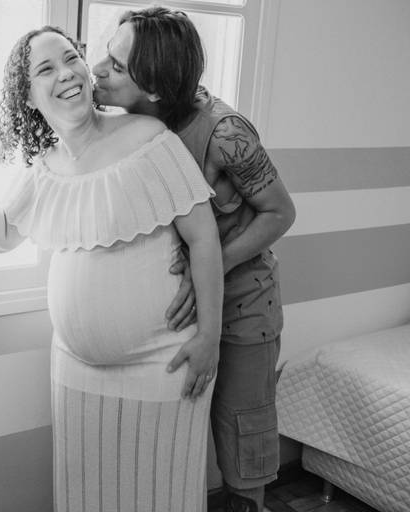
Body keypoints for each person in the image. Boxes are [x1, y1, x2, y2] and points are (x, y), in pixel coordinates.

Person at [0, 25, 223, 512]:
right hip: (77, 371)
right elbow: (1, 235)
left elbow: (203, 238)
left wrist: (210, 336)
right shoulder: (45, 167)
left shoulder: (147, 137)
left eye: (70, 58)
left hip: (163, 363)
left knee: (163, 491)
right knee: (88, 495)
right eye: (46, 68)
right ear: (28, 96)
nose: (66, 73)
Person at [91, 7, 297, 512]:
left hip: (243, 308)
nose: (98, 69)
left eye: (116, 66)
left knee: (240, 448)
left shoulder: (225, 134)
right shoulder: (130, 124)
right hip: (179, 309)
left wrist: (211, 269)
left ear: (155, 88)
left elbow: (280, 213)